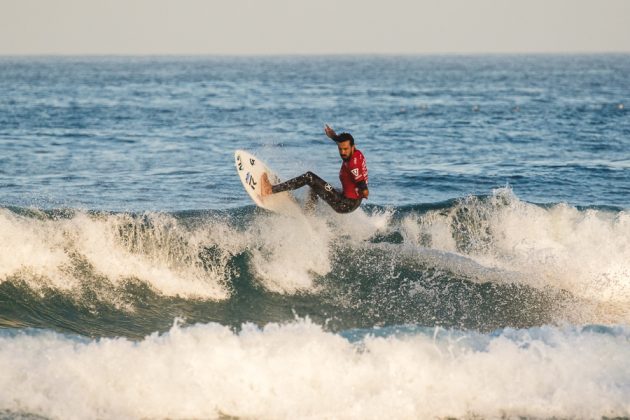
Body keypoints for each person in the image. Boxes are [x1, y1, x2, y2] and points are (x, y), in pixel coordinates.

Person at [260, 124, 369, 214]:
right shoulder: (356, 153)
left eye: (345, 149)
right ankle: (309, 213)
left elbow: (360, 181)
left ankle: (270, 190)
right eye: (340, 149)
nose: (342, 152)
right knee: (317, 186)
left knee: (309, 177)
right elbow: (345, 145)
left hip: (344, 204)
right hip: (352, 200)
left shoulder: (352, 164)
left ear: (352, 147)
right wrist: (334, 136)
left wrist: (364, 190)